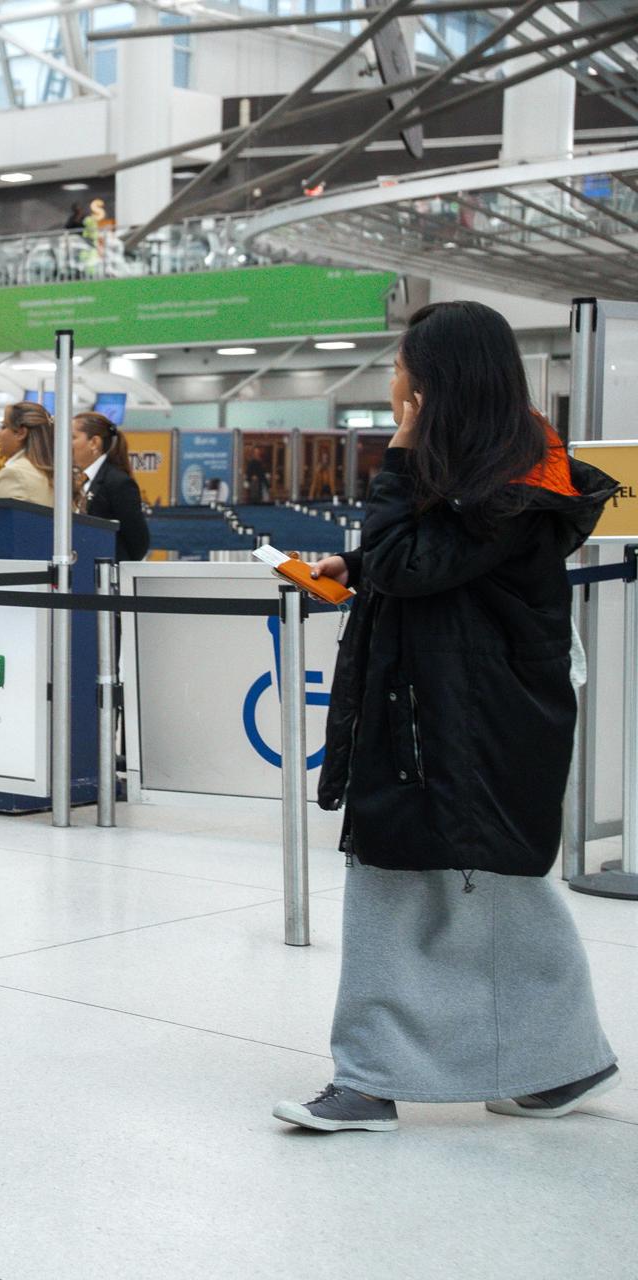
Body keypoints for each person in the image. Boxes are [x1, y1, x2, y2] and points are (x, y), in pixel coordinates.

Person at [273, 300, 620, 1133]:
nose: (392, 382)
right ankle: (562, 1065)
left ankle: (369, 1080)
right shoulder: (501, 467)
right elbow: (421, 561)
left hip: (465, 721)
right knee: (488, 886)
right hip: (455, 711)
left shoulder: (507, 485)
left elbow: (416, 559)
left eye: (402, 368)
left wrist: (392, 463)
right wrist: (353, 564)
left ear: (434, 387)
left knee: (414, 881)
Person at [73, 411, 150, 562]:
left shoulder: (118, 483)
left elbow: (138, 541)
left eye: (72, 437)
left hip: (107, 575)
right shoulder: (82, 479)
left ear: (94, 442)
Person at [0, 401, 74, 507]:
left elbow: (5, 522)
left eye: (4, 427)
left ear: (21, 433)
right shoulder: (59, 472)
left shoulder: (13, 474)